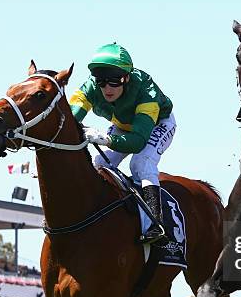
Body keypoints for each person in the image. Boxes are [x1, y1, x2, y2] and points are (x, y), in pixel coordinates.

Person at [70, 43, 176, 243]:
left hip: (156, 124)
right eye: (101, 81)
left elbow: (137, 142)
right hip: (123, 125)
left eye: (114, 81)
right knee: (97, 164)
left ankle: (156, 224)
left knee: (141, 164)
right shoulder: (90, 88)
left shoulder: (146, 92)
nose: (107, 88)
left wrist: (107, 139)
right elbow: (68, 121)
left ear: (126, 78)